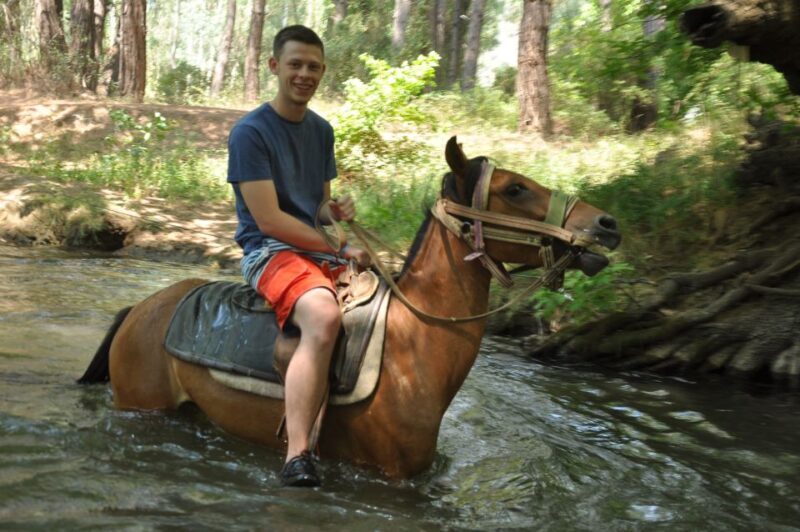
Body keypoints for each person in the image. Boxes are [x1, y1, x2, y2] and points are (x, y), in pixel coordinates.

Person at [226, 25, 369, 488]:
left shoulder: (322, 131)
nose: (304, 74)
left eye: (313, 67)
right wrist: (339, 247)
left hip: (314, 247)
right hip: (268, 251)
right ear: (275, 67)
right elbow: (269, 219)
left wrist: (334, 212)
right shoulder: (250, 133)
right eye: (295, 65)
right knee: (324, 315)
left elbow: (317, 208)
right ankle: (297, 455)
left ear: (323, 71)